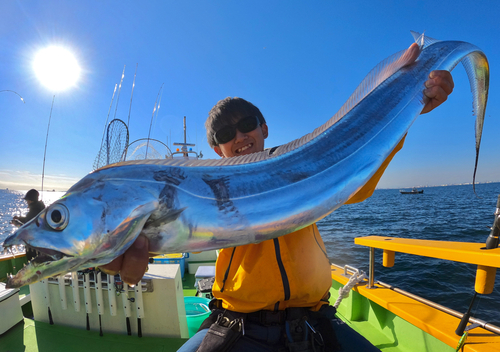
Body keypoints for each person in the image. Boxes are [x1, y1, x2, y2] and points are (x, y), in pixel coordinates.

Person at [101, 44, 454, 351]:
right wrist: (114, 245)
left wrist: (410, 107)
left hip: (316, 319)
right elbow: (166, 227)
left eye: (247, 124)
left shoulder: (300, 170)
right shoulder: (204, 192)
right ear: (216, 149)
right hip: (239, 325)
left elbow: (355, 185)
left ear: (264, 128)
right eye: (225, 133)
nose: (239, 135)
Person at [11, 189, 46, 262]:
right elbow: (30, 220)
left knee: (34, 267)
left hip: (33, 247)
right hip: (42, 246)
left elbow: (25, 229)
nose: (27, 202)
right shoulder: (40, 210)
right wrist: (19, 218)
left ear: (30, 200)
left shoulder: (33, 211)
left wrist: (16, 223)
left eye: (27, 200)